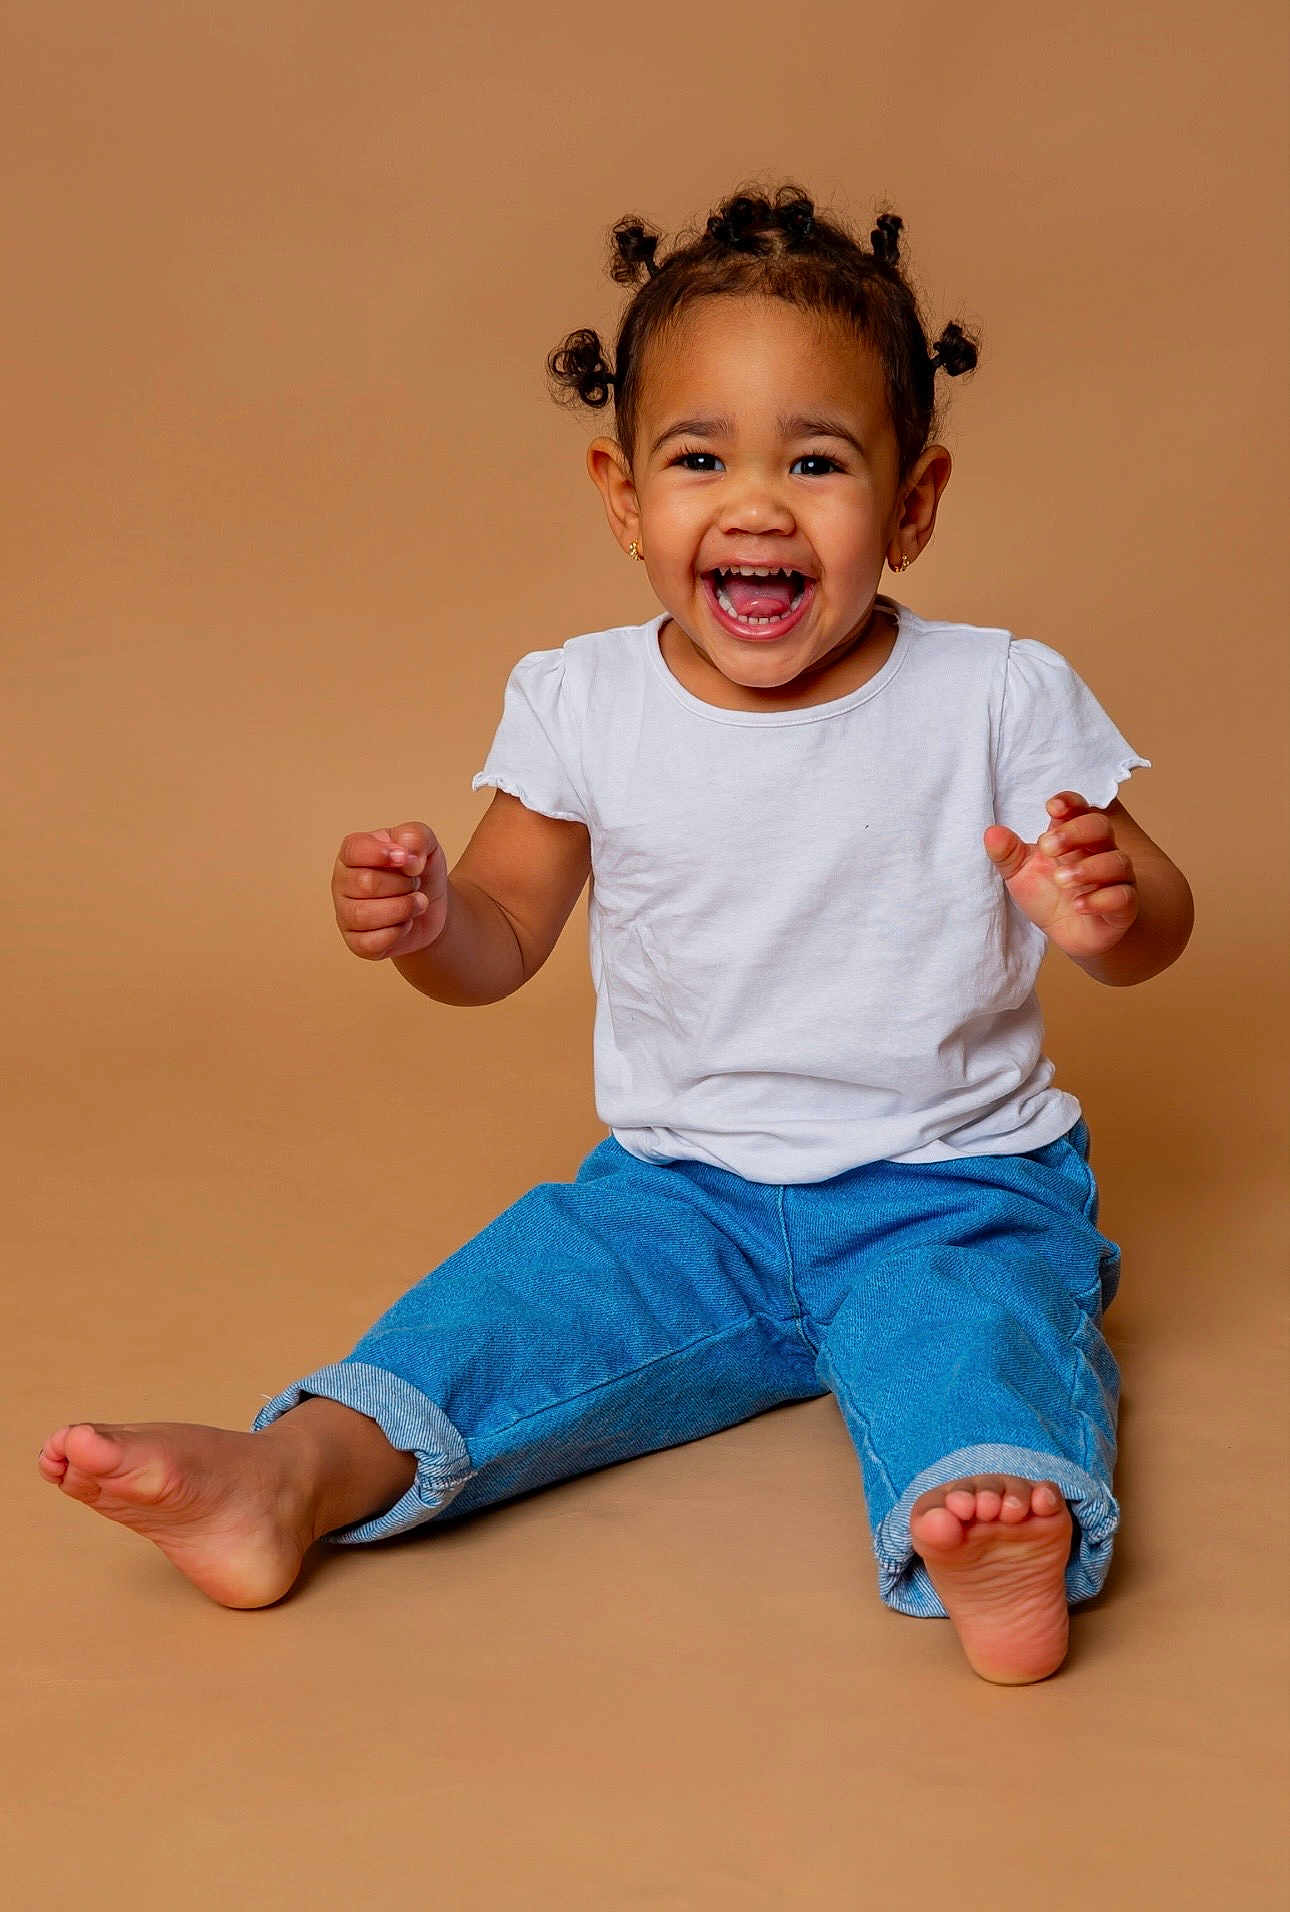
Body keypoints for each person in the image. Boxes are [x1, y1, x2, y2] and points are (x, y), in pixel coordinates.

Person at [38, 183, 1193, 1684]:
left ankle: (988, 1520)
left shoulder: (995, 693)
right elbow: (504, 936)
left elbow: (1154, 928)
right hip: (675, 1197)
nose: (756, 502)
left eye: (818, 461)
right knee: (502, 1309)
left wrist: (1106, 908)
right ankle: (291, 1478)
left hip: (948, 1182)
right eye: (699, 457)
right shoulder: (582, 698)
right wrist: (430, 921)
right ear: (622, 494)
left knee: (973, 1332)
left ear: (911, 504)